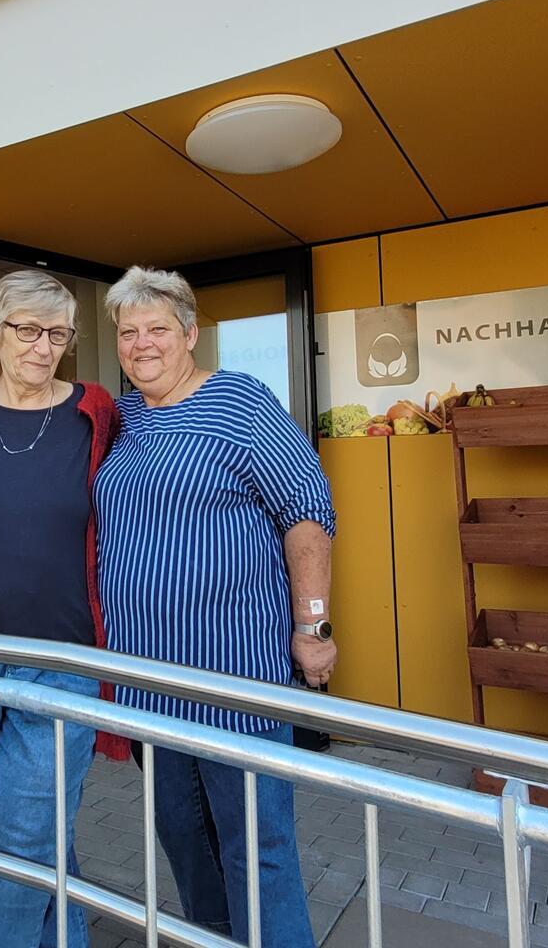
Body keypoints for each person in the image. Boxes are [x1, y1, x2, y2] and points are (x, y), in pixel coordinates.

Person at [93, 265, 337, 946]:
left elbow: (307, 515)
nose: (143, 344)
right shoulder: (126, 416)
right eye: (129, 331)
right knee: (183, 840)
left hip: (237, 679)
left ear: (191, 333)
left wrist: (313, 626)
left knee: (256, 846)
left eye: (158, 329)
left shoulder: (242, 402)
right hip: (153, 685)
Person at [0, 270, 126, 947]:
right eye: (27, 329)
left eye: (58, 333)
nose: (42, 347)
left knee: (17, 838)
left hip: (59, 662)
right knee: (19, 837)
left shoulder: (97, 413)